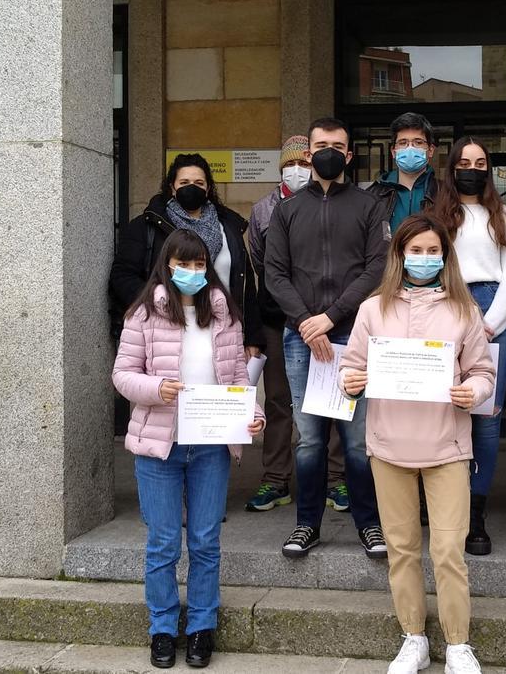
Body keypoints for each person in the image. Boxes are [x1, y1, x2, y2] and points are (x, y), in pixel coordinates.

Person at [341, 214, 495, 674]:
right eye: (416, 251)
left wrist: (476, 391)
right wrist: (353, 381)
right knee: (402, 547)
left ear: (445, 256)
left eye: (433, 251)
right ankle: (413, 637)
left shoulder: (465, 310)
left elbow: (483, 372)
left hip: (447, 445)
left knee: (448, 550)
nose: (424, 259)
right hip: (389, 446)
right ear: (399, 255)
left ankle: (457, 644)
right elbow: (349, 370)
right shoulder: (373, 309)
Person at [112, 229, 266, 670]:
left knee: (204, 541)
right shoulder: (143, 315)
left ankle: (201, 625)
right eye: (185, 264)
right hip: (158, 446)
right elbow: (122, 375)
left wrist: (253, 415)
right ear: (167, 264)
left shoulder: (224, 316)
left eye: (201, 265)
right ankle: (162, 627)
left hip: (209, 447)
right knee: (162, 543)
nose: (193, 273)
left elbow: (239, 378)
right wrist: (157, 388)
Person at [266, 117, 389, 559]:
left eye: (338, 145)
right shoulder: (286, 210)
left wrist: (331, 316)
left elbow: (377, 267)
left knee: (357, 439)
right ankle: (306, 525)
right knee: (311, 438)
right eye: (321, 145)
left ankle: (369, 524)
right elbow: (274, 274)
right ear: (308, 152)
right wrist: (306, 321)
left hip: (354, 335)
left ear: (349, 154)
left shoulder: (369, 206)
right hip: (302, 340)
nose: (329, 152)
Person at [431, 137, 506, 556]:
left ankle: (476, 514)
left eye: (480, 162)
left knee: (485, 418)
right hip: (445, 308)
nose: (472, 168)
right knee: (447, 411)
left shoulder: (502, 213)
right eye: (464, 162)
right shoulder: (435, 215)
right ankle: (444, 510)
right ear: (451, 169)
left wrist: (487, 325)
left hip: (494, 318)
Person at [245, 135, 349, 513]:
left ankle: (336, 480)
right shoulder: (263, 210)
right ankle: (275, 479)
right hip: (279, 321)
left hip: (331, 320)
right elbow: (262, 265)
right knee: (278, 401)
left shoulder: (338, 203)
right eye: (294, 164)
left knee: (335, 400)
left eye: (305, 164)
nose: (300, 170)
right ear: (283, 167)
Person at [110, 153, 263, 356]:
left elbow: (245, 284)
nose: (192, 187)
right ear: (172, 187)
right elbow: (122, 276)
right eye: (184, 182)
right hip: (165, 332)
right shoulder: (146, 226)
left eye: (199, 182)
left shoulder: (229, 227)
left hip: (223, 333)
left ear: (208, 188)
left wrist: (252, 337)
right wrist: (159, 300)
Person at [367, 112, 439, 234]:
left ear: (430, 150)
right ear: (393, 152)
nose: (410, 148)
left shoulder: (444, 192)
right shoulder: (373, 195)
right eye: (403, 142)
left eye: (418, 142)